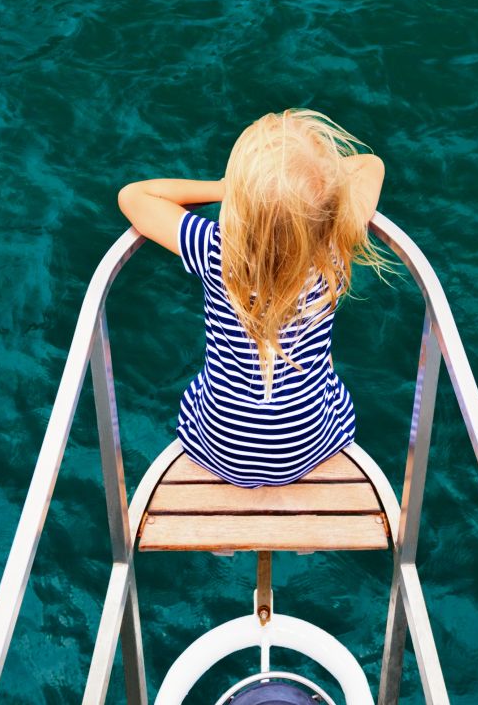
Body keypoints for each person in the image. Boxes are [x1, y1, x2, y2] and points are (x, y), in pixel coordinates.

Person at [117, 109, 389, 487]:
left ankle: (220, 535)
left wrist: (224, 187)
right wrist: (313, 187)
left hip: (219, 448)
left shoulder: (216, 252)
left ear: (242, 209)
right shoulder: (334, 252)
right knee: (330, 392)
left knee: (204, 392)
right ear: (329, 214)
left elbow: (134, 196)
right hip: (308, 446)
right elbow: (369, 165)